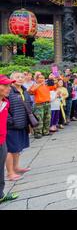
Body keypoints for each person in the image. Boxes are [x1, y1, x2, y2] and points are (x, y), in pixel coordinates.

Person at [6, 72, 31, 182]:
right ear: (11, 80)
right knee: (11, 150)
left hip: (23, 123)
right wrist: (11, 121)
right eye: (17, 77)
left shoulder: (24, 91)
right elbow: (4, 108)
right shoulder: (9, 91)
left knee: (18, 148)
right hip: (12, 126)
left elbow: (29, 104)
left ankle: (16, 167)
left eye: (22, 77)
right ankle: (10, 173)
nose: (20, 79)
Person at [0, 74, 19, 205]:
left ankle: (0, 194)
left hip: (2, 140)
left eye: (9, 85)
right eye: (5, 85)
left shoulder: (5, 102)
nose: (9, 88)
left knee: (0, 168)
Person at [28, 74, 54, 139]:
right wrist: (39, 84)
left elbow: (54, 86)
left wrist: (51, 78)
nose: (42, 79)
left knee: (47, 118)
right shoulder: (34, 85)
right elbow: (31, 91)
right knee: (39, 119)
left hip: (47, 103)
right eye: (40, 78)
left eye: (43, 78)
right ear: (36, 79)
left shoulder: (46, 85)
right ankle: (38, 133)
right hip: (39, 104)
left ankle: (46, 131)